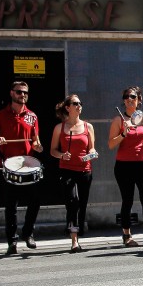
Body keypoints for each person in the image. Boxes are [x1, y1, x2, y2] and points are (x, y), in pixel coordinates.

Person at [0, 80, 44, 256]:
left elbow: (35, 140)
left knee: (35, 201)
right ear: (11, 93)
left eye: (25, 92)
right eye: (19, 92)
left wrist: (38, 146)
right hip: (9, 166)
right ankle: (12, 241)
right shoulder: (1, 115)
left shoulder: (32, 116)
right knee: (11, 207)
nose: (22, 95)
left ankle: (28, 233)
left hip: (28, 165)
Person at [109, 86, 143, 248]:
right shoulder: (118, 120)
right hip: (124, 165)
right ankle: (126, 235)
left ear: (139, 100)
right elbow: (111, 144)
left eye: (132, 97)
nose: (129, 100)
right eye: (126, 97)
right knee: (128, 200)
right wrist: (123, 133)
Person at [50, 94, 96, 253]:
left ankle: (77, 228)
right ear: (67, 107)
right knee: (72, 201)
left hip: (85, 170)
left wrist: (90, 155)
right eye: (75, 103)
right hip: (67, 170)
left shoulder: (88, 127)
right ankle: (74, 239)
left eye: (80, 103)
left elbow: (92, 149)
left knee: (82, 204)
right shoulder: (60, 128)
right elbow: (53, 151)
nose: (79, 106)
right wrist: (62, 155)